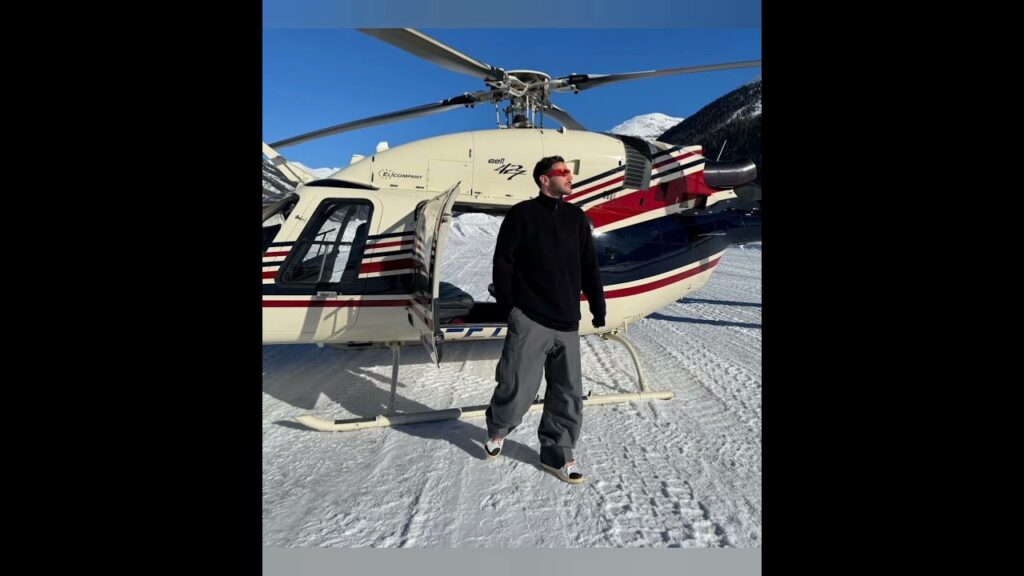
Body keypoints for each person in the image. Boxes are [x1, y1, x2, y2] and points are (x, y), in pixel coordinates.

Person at [484, 155, 606, 484]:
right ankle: (498, 428)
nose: (570, 177)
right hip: (531, 316)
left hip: (567, 320)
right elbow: (503, 262)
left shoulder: (576, 218)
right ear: (543, 179)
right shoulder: (522, 214)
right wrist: (510, 307)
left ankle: (557, 451)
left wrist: (598, 304)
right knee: (518, 385)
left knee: (568, 392)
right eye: (563, 172)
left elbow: (589, 266)